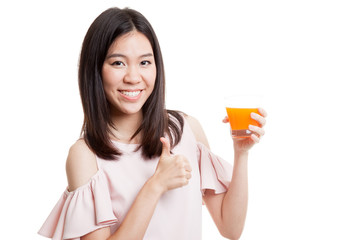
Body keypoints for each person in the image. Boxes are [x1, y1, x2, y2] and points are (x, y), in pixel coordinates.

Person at [38, 7, 267, 240]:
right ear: (95, 70)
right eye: (118, 63)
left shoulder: (185, 129)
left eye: (145, 62)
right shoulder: (85, 156)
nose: (134, 77)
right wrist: (155, 185)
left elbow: (231, 228)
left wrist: (241, 153)